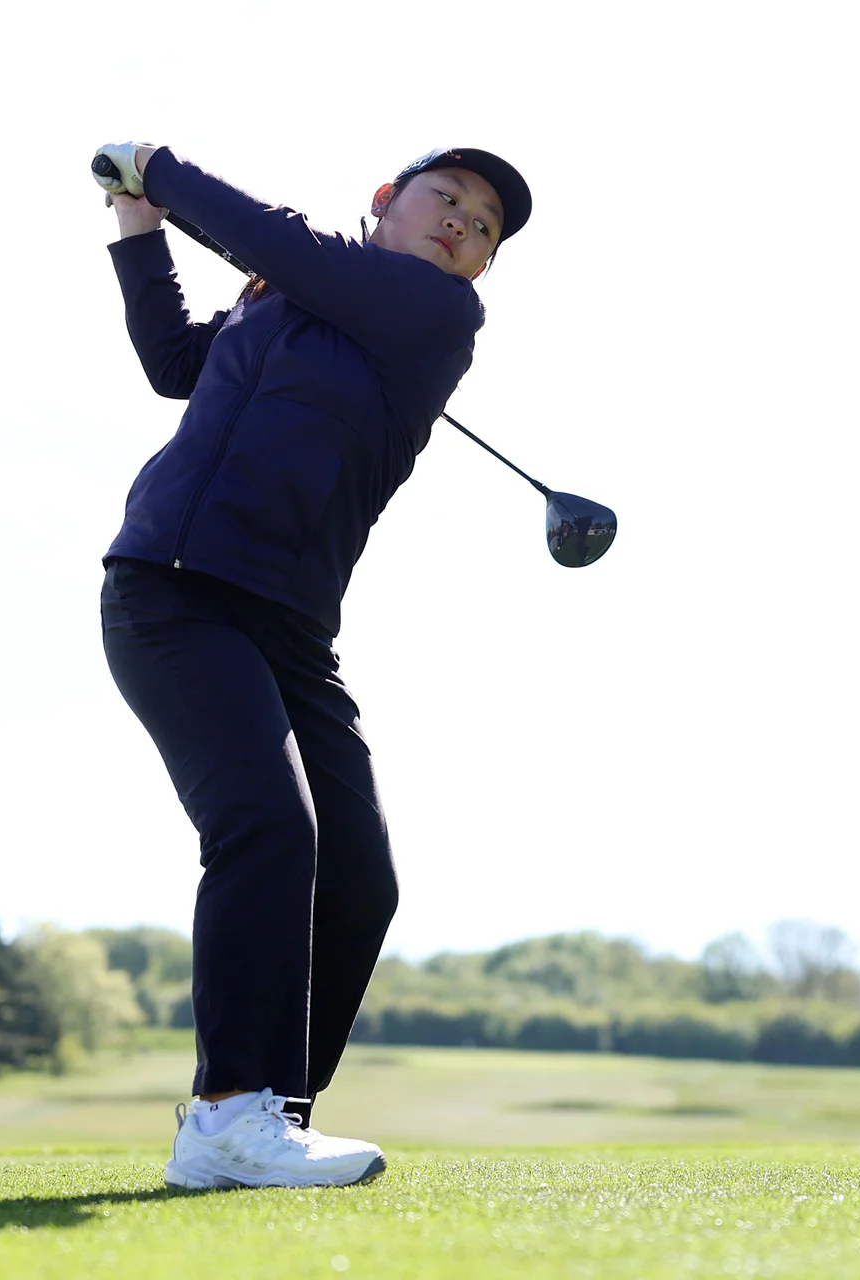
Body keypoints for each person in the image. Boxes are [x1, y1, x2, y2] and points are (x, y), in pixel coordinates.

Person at [94, 143, 532, 1190]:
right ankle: (231, 1111)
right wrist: (137, 225)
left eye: (484, 227)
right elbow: (172, 361)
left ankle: (266, 1119)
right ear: (387, 201)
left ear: (481, 269)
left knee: (360, 879)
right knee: (267, 825)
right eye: (449, 199)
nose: (464, 224)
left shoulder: (436, 319)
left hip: (293, 631)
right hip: (177, 587)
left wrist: (161, 166)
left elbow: (286, 245)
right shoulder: (281, 300)